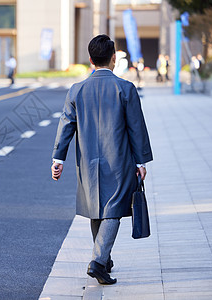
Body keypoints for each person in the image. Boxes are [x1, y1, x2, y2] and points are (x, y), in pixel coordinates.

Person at [51, 34, 153, 285]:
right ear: (114, 58)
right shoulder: (125, 88)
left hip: (87, 161)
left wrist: (58, 159)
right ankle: (97, 262)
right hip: (118, 160)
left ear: (90, 60)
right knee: (114, 209)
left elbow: (66, 125)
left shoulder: (77, 90)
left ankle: (104, 259)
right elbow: (136, 128)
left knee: (97, 207)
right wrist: (141, 162)